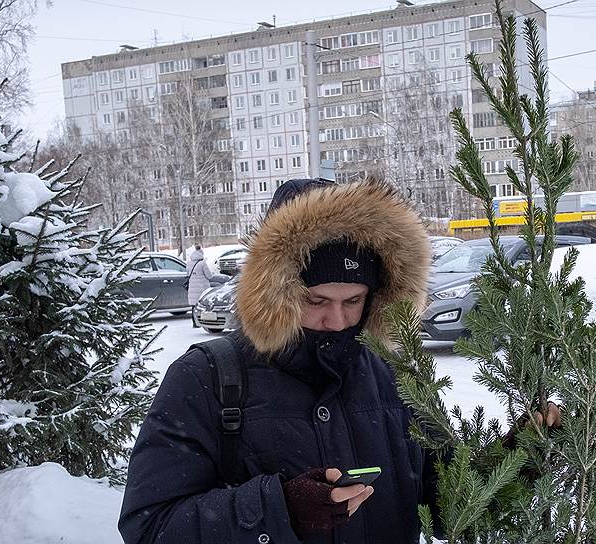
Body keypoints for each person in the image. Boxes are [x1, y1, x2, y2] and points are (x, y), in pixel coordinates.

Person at [119, 178, 437, 543]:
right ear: (277, 292)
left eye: (353, 301)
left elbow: (441, 493)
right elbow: (149, 527)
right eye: (316, 301)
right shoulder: (205, 377)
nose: (337, 321)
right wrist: (277, 511)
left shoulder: (395, 373)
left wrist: (509, 464)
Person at [186, 244, 215, 308]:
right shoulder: (203, 263)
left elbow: (188, 274)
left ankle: (193, 317)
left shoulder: (189, 263)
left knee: (194, 307)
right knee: (202, 307)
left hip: (192, 289)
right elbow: (209, 276)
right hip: (202, 289)